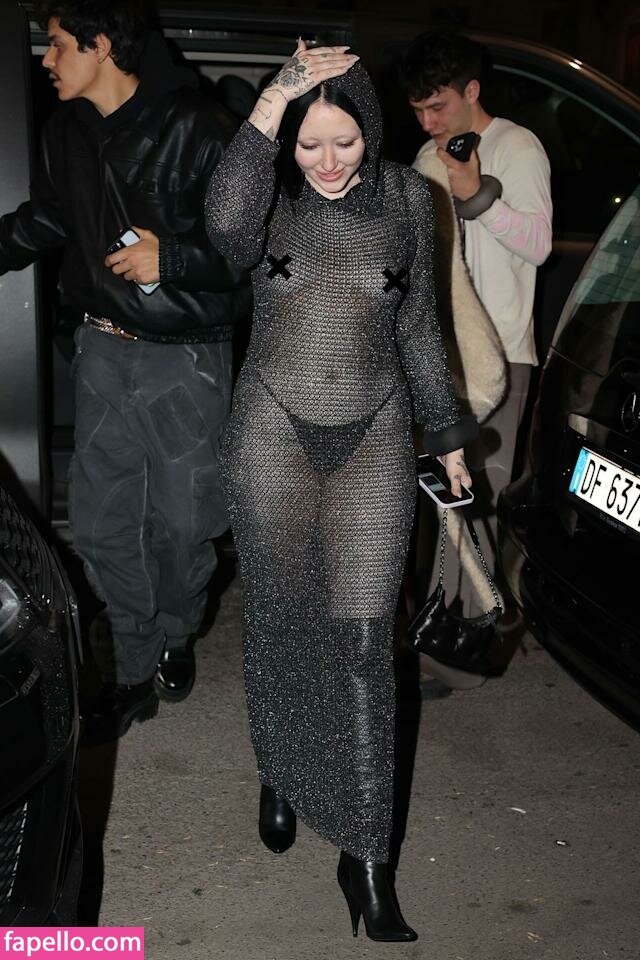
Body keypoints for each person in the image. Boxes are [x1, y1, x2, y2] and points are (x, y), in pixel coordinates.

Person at [205, 40, 477, 941]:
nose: (328, 163)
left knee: (363, 640)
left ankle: (367, 862)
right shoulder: (267, 193)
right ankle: (281, 768)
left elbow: (421, 327)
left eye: (346, 143)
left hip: (375, 430)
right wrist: (271, 102)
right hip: (273, 428)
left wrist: (447, 435)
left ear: (374, 132)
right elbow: (222, 230)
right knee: (282, 618)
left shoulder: (408, 198)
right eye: (310, 143)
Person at [0, 0, 245, 742]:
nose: (47, 60)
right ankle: (136, 665)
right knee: (103, 528)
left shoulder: (199, 127)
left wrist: (172, 259)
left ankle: (177, 629)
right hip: (103, 351)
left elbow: (256, 249)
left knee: (184, 524)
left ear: (101, 45)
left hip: (186, 359)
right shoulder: (66, 130)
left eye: (58, 45)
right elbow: (51, 219)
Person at [400, 31, 552, 615]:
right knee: (443, 508)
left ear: (471, 91)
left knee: (479, 503)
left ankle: (480, 629)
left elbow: (538, 245)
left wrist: (476, 196)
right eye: (418, 110)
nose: (428, 122)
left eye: (438, 106)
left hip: (503, 357)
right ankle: (445, 631)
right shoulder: (424, 159)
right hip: (440, 358)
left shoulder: (517, 146)